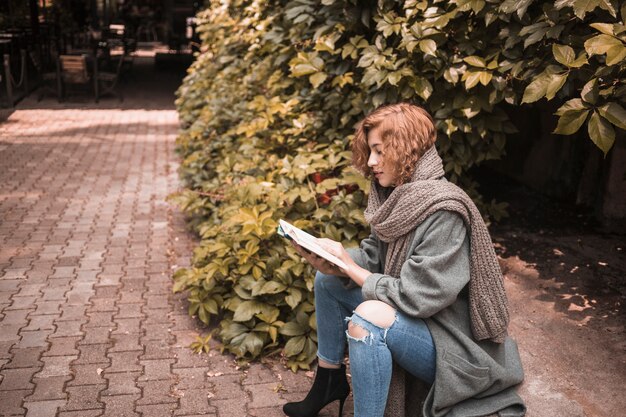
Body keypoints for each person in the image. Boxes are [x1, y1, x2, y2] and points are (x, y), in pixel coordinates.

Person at [282, 103, 526, 417]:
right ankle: (329, 382)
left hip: (449, 339)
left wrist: (354, 269)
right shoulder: (399, 194)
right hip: (418, 320)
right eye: (370, 151)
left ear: (405, 149)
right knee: (328, 281)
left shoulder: (443, 209)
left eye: (379, 151)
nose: (371, 162)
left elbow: (418, 297)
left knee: (367, 319)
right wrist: (336, 260)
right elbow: (374, 256)